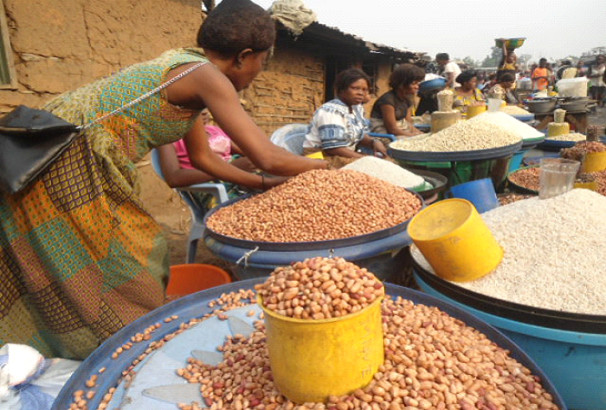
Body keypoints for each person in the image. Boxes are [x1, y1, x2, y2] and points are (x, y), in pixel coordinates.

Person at [0, 0, 327, 360]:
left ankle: (116, 343)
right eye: (261, 63)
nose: (258, 73)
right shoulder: (207, 76)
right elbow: (266, 156)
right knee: (115, 262)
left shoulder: (187, 67)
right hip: (64, 158)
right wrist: (326, 170)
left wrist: (264, 184)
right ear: (243, 56)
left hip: (53, 148)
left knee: (92, 258)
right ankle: (122, 351)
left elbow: (199, 161)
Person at [157, 109, 281, 212]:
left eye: (204, 107)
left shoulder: (214, 130)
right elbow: (173, 178)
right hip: (211, 184)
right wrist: (230, 168)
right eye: (194, 106)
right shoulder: (168, 139)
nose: (204, 112)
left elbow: (246, 152)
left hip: (239, 177)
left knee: (280, 190)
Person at [303, 68, 388, 159]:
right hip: (320, 157)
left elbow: (358, 135)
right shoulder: (331, 111)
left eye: (365, 90)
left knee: (387, 164)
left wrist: (374, 142)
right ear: (341, 89)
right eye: (355, 88)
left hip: (342, 154)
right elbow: (333, 148)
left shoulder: (356, 109)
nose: (361, 93)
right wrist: (363, 159)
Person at [368, 64, 426, 137]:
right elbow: (392, 129)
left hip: (399, 129)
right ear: (401, 84)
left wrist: (420, 134)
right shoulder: (387, 101)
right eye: (414, 83)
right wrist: (412, 136)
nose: (417, 87)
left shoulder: (407, 99)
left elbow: (409, 123)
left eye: (418, 83)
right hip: (383, 132)